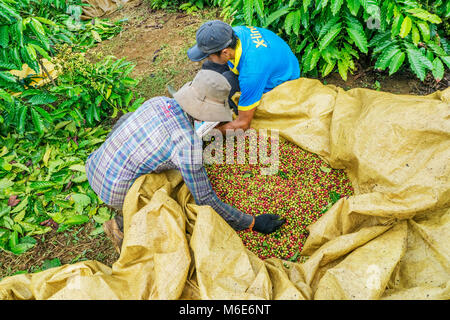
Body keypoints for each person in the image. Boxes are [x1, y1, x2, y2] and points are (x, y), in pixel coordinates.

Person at [85, 70, 286, 253]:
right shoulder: (188, 146)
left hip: (95, 165)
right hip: (114, 192)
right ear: (207, 115)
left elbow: (126, 119)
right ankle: (124, 224)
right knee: (168, 203)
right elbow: (205, 199)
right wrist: (252, 222)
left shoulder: (158, 102)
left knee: (130, 118)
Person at [187, 20, 300, 133]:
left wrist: (209, 133)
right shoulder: (234, 33)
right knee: (210, 66)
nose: (207, 58)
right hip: (268, 61)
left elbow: (243, 124)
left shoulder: (252, 73)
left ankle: (216, 114)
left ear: (225, 52)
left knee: (227, 81)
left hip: (280, 82)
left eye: (209, 56)